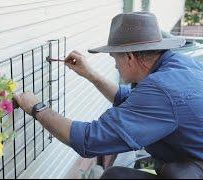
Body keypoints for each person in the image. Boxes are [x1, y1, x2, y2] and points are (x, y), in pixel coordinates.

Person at [13, 12, 203, 178]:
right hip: (187, 160)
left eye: (115, 58)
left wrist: (37, 108)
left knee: (116, 176)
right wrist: (90, 74)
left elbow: (89, 140)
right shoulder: (178, 65)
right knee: (133, 167)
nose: (114, 66)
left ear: (129, 57)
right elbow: (130, 100)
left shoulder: (162, 89)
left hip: (192, 168)